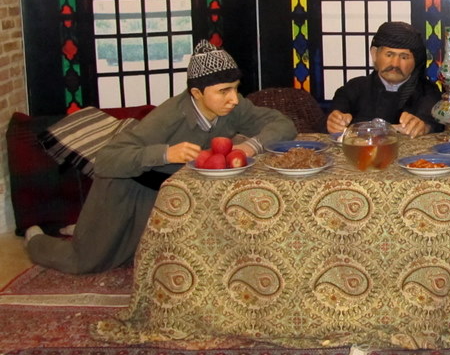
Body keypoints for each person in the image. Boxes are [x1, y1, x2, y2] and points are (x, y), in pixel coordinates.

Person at [24, 40, 297, 274]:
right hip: (126, 188)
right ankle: (36, 239)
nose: (234, 98)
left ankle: (88, 230)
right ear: (197, 93)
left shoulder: (234, 107)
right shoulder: (168, 117)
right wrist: (166, 153)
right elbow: (107, 159)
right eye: (224, 91)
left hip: (169, 196)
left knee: (159, 261)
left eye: (235, 88)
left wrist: (251, 146)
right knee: (87, 262)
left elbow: (284, 124)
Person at [326, 20, 441, 138]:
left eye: (404, 57)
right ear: (374, 54)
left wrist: (425, 127)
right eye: (389, 55)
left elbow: (433, 121)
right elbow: (338, 112)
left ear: (416, 61)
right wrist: (335, 121)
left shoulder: (429, 92)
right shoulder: (354, 88)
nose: (395, 64)